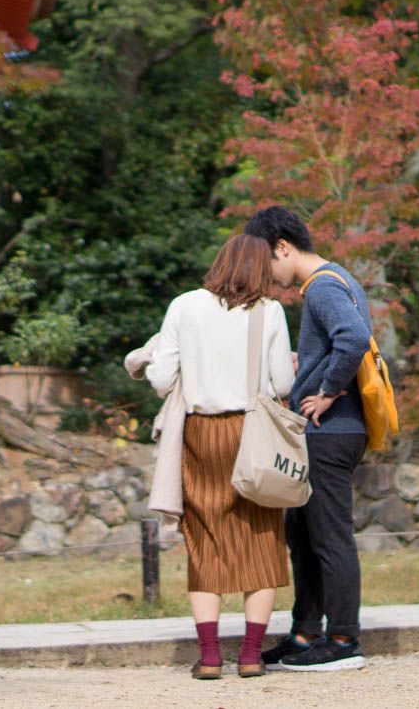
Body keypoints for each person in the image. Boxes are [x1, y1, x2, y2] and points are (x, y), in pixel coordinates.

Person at [144, 234, 296, 680]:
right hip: (254, 433)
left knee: (205, 540)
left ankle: (210, 657)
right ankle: (250, 655)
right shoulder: (269, 312)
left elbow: (160, 378)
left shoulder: (184, 306)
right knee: (262, 543)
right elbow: (283, 384)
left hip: (201, 434)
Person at [246, 206, 371, 672]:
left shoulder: (321, 286)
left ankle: (342, 639)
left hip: (331, 431)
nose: (268, 274)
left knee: (330, 536)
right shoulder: (335, 280)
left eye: (268, 261)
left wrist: (327, 390)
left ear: (283, 246)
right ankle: (304, 634)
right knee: (303, 533)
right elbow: (341, 340)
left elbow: (354, 338)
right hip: (327, 431)